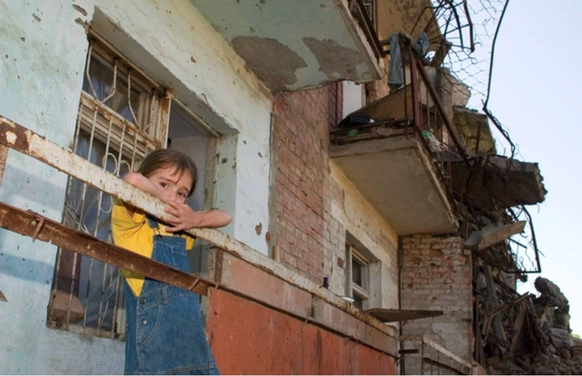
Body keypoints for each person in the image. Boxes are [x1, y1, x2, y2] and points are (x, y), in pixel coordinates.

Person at [111, 149, 232, 375]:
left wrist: (196, 218)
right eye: (164, 184)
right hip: (154, 342)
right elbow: (132, 179)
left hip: (190, 338)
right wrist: (160, 196)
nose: (172, 197)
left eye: (181, 193)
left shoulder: (178, 226)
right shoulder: (132, 219)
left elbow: (226, 216)